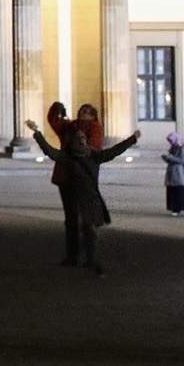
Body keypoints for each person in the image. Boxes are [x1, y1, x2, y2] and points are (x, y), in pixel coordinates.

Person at [26, 115, 139, 275]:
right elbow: (50, 151)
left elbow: (113, 151)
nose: (81, 140)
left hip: (90, 198)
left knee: (89, 227)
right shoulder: (68, 157)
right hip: (74, 197)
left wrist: (132, 139)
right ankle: (76, 257)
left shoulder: (93, 156)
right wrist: (37, 133)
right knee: (75, 225)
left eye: (83, 138)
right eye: (78, 138)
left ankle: (90, 260)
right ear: (72, 141)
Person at [41, 101, 108, 265]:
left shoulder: (94, 128)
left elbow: (92, 150)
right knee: (71, 218)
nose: (82, 112)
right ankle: (73, 255)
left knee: (85, 220)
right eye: (81, 110)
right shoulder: (70, 126)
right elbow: (54, 122)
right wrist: (56, 108)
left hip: (82, 178)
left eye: (87, 111)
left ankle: (87, 256)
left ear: (93, 116)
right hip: (66, 176)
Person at [161, 132, 184, 216]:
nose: (171, 143)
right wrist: (166, 158)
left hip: (177, 172)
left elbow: (181, 160)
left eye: (171, 141)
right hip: (171, 172)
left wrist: (169, 158)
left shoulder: (181, 148)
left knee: (180, 190)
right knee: (172, 191)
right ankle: (175, 208)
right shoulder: (173, 147)